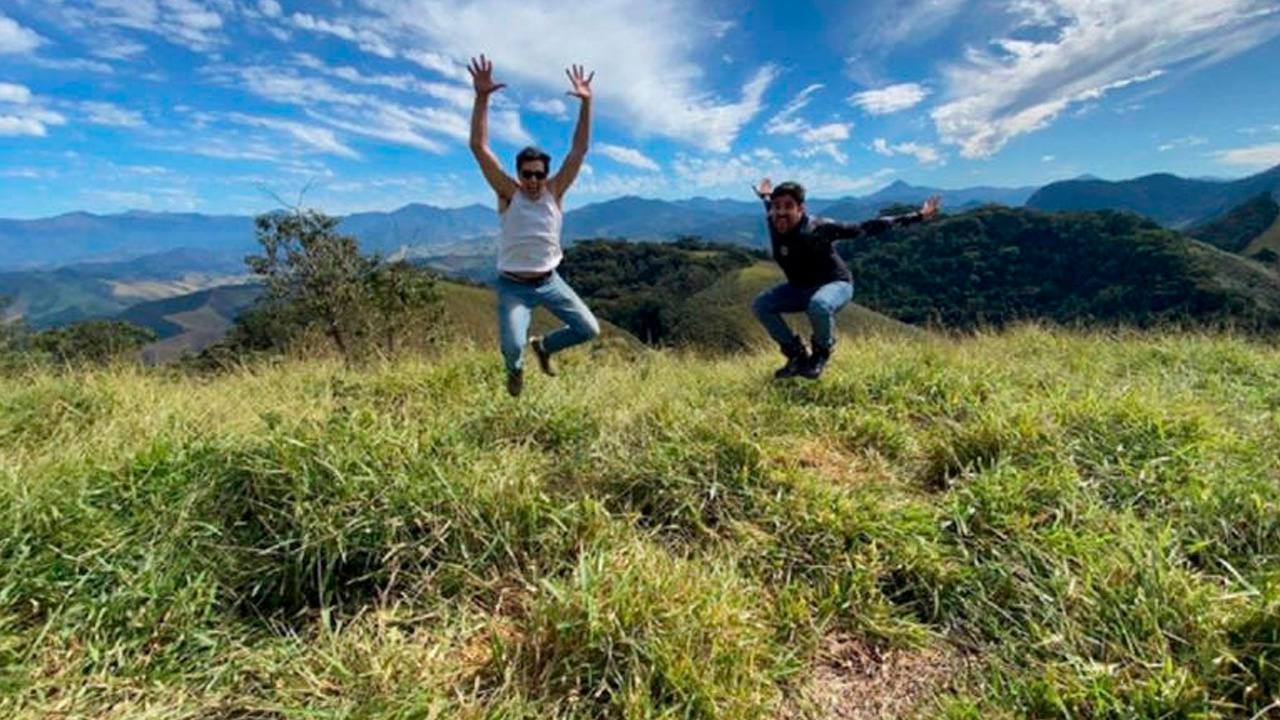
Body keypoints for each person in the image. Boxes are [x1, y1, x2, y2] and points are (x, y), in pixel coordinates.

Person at [467, 54, 601, 397]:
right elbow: (479, 147)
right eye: (527, 173)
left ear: (546, 173)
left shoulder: (555, 191)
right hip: (513, 285)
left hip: (550, 280)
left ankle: (544, 346)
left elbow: (579, 149)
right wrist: (482, 97)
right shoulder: (507, 193)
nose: (534, 180)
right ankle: (516, 370)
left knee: (589, 329)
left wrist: (587, 103)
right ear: (518, 173)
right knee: (512, 347)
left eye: (539, 173)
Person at [751, 178, 941, 379]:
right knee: (762, 305)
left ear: (801, 209)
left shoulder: (819, 228)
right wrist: (764, 195)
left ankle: (821, 353)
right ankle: (796, 355)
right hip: (799, 288)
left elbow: (867, 227)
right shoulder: (775, 220)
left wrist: (918, 216)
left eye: (788, 206)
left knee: (819, 305)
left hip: (835, 283)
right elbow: (770, 205)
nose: (780, 212)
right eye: (776, 207)